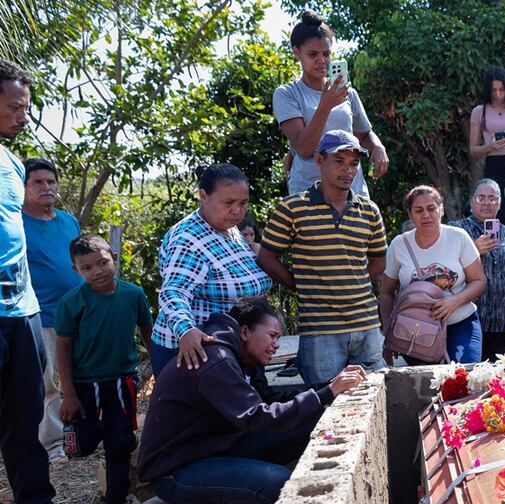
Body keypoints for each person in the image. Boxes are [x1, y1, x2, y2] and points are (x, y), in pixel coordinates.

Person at [139, 298, 364, 504]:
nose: (276, 344)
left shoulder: (243, 357)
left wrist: (328, 387)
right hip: (176, 470)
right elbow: (259, 418)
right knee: (281, 483)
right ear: (245, 332)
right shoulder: (216, 361)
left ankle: (232, 491)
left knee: (309, 422)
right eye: (272, 336)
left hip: (213, 450)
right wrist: (326, 394)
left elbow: (272, 400)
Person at [0, 59, 98, 504]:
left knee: (24, 414)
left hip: (22, 310)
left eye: (27, 106)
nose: (24, 115)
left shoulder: (12, 164)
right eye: (15, 106)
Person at [259, 130, 388, 383]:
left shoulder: (369, 210)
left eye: (353, 163)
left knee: (375, 396)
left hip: (366, 325)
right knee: (324, 404)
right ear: (319, 160)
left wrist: (350, 282)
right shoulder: (292, 208)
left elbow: (379, 262)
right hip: (321, 329)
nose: (347, 170)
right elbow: (266, 258)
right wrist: (303, 286)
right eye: (338, 161)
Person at [54, 234, 152, 504]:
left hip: (122, 381)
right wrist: (68, 395)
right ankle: (86, 433)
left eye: (103, 263)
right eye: (87, 268)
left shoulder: (133, 294)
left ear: (114, 259)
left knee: (120, 443)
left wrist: (161, 367)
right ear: (76, 271)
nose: (97, 271)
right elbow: (63, 348)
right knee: (80, 446)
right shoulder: (72, 303)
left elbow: (148, 332)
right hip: (85, 384)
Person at [151, 164, 271, 376]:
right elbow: (174, 292)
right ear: (203, 196)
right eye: (228, 203)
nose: (237, 211)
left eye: (243, 203)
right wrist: (186, 330)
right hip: (194, 351)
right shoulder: (187, 239)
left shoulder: (229, 228)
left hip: (230, 347)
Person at [273, 10, 388, 198]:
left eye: (326, 54)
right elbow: (304, 148)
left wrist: (378, 147)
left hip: (352, 193)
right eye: (313, 54)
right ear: (297, 53)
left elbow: (363, 133)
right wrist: (326, 105)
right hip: (308, 194)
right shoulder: (287, 93)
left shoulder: (348, 93)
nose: (322, 61)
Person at [380, 186, 487, 365]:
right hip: (415, 330)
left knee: (465, 380)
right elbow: (386, 293)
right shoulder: (399, 245)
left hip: (461, 323)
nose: (426, 215)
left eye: (431, 208)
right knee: (425, 387)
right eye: (419, 210)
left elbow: (479, 281)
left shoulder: (458, 238)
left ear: (441, 210)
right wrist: (388, 332)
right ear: (410, 214)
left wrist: (454, 301)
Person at [21, 157, 82, 449]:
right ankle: (53, 443)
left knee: (80, 375)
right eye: (38, 182)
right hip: (39, 315)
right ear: (24, 187)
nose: (47, 187)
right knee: (46, 384)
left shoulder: (69, 221)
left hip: (76, 314)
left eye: (51, 181)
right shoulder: (14, 222)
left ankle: (81, 433)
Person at [447, 179, 505, 361]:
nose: (487, 203)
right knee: (468, 373)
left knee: (499, 377)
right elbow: (447, 268)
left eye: (492, 198)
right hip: (468, 319)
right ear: (471, 200)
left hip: (503, 321)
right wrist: (474, 251)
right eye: (481, 198)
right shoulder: (456, 230)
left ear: (499, 202)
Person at [468, 67, 505, 240]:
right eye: (493, 90)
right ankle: (494, 254)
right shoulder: (480, 111)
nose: (498, 94)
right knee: (495, 214)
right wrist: (490, 146)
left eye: (501, 89)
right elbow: (473, 149)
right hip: (494, 164)